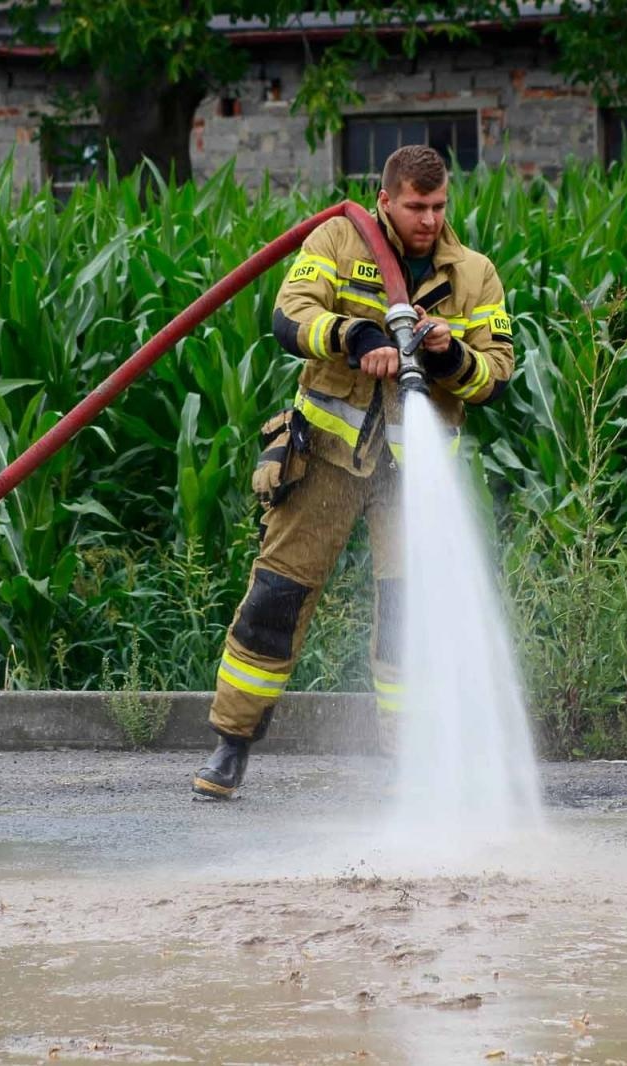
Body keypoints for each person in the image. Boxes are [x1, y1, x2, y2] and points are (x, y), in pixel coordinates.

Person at [192, 144, 517, 800]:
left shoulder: (473, 275)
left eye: (439, 205)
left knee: (407, 619)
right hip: (326, 462)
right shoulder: (340, 239)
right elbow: (290, 316)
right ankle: (232, 743)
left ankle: (409, 764)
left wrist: (450, 352)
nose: (429, 219)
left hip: (413, 474)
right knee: (275, 602)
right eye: (416, 206)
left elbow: (497, 374)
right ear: (386, 199)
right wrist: (356, 338)